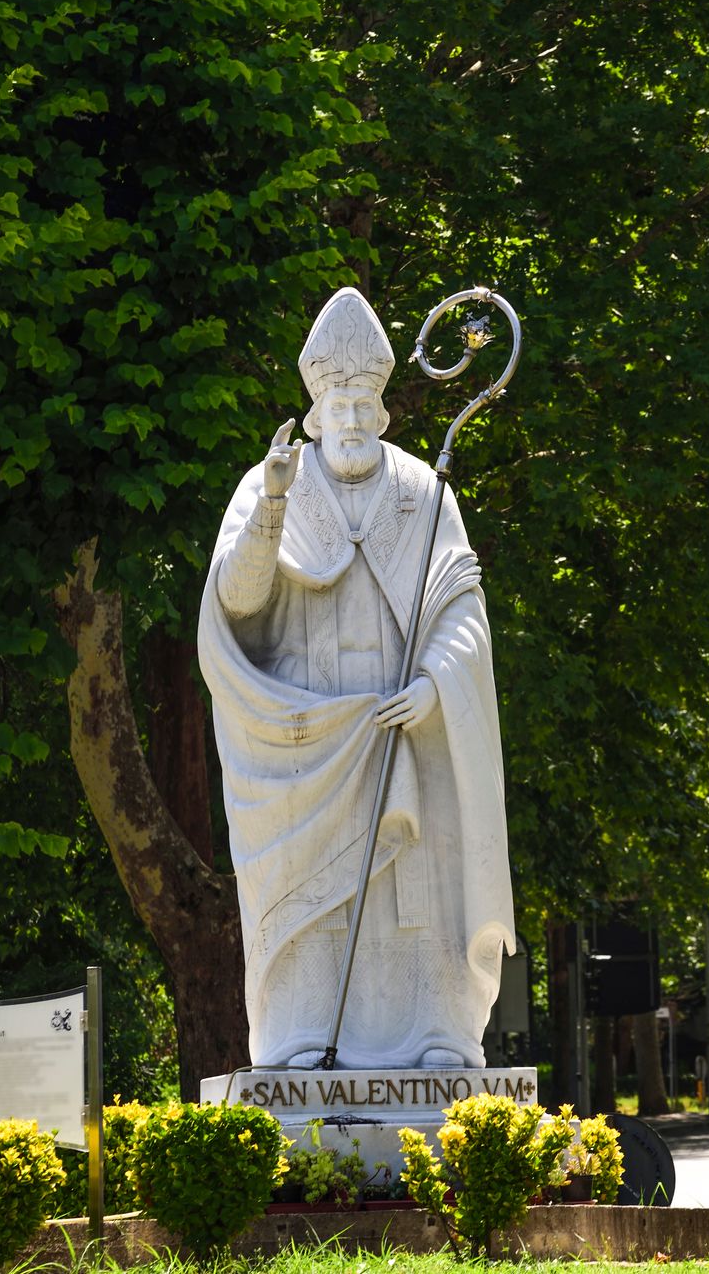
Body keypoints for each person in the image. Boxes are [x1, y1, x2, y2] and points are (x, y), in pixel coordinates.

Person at [198, 286, 515, 1070]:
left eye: (359, 406)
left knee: (415, 889)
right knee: (318, 903)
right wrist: (271, 506)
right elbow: (235, 602)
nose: (347, 419)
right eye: (333, 406)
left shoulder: (421, 491)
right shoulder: (272, 483)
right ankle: (302, 1036)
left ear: (379, 412)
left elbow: (460, 607)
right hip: (306, 745)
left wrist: (439, 682)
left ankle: (434, 1033)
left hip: (402, 730)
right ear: (314, 415)